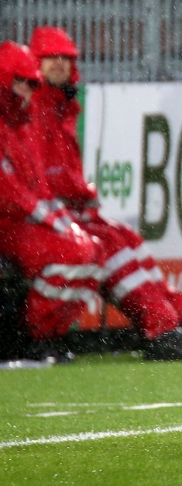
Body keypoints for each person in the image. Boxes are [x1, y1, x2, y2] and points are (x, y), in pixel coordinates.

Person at [28, 26, 182, 361]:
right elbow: (41, 177)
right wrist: (74, 199)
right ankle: (160, 329)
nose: (59, 64)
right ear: (35, 62)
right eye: (51, 57)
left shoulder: (61, 108)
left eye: (66, 58)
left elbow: (59, 173)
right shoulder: (35, 108)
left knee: (126, 240)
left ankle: (177, 324)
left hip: (62, 211)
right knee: (108, 248)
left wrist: (80, 196)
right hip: (45, 215)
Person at [0, 41, 100, 358]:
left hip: (20, 222)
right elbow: (8, 191)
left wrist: (62, 222)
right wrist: (52, 220)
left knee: (90, 250)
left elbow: (38, 185)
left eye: (32, 83)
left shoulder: (22, 122)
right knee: (71, 252)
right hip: (9, 224)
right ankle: (31, 335)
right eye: (22, 81)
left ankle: (48, 336)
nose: (28, 89)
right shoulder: (12, 123)